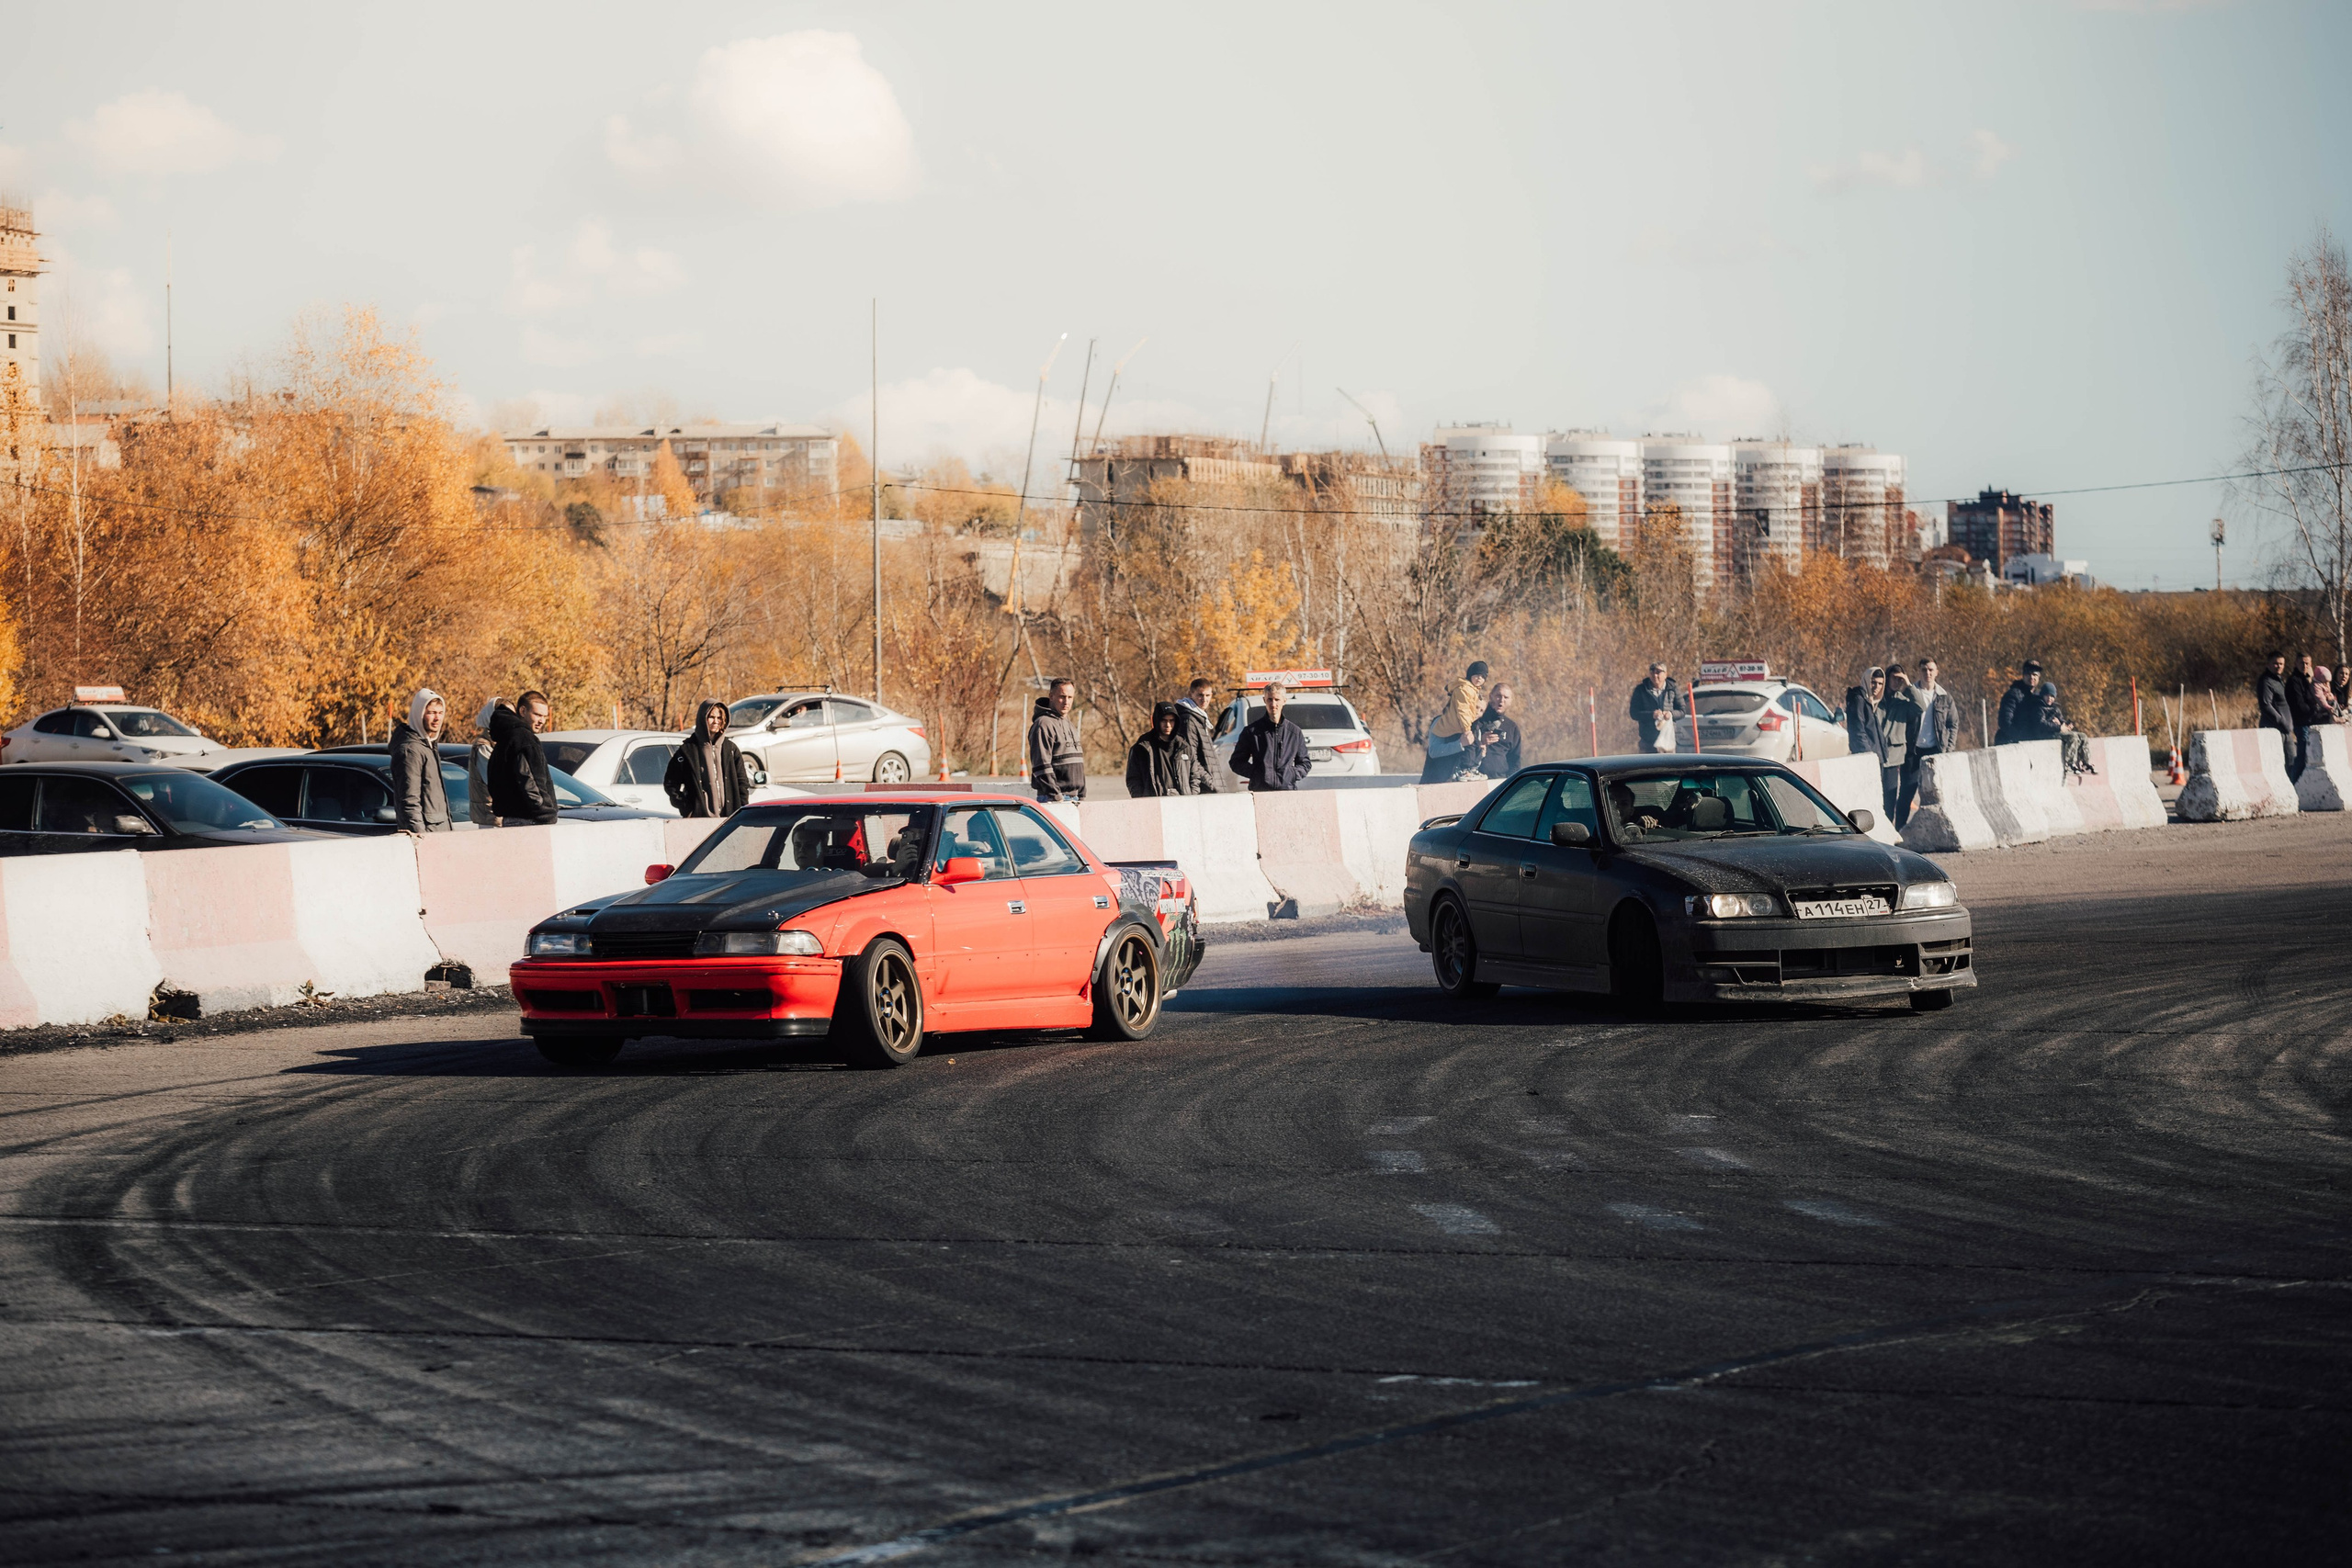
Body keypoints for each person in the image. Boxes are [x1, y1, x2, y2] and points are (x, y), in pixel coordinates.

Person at [664, 698, 753, 818]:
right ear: (702, 718)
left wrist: (741, 807)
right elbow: (670, 783)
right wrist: (686, 806)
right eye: (711, 717)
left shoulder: (731, 749)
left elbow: (742, 783)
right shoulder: (688, 750)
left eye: (719, 718)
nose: (716, 721)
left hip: (729, 819)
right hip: (699, 819)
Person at [1899, 658, 1960, 827]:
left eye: (1931, 670)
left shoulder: (1944, 697)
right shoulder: (1910, 693)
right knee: (1906, 794)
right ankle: (1899, 832)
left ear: (1937, 672)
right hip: (1912, 750)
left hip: (1935, 751)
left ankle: (1934, 829)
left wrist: (1947, 749)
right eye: (1924, 670)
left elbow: (1953, 723)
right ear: (1919, 672)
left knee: (1936, 795)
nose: (1928, 673)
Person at [489, 688, 559, 827]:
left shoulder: (504, 738)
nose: (542, 721)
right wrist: (546, 815)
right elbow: (529, 781)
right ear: (522, 711)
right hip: (529, 821)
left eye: (545, 717)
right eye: (537, 715)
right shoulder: (524, 739)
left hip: (510, 819)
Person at [389, 688, 451, 834]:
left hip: (439, 833)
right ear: (419, 714)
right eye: (431, 713)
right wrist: (421, 838)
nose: (437, 718)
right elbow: (410, 802)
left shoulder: (427, 745)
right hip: (428, 836)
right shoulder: (411, 750)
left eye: (440, 713)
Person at [1230, 682, 1312, 792]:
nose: (1273, 704)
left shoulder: (1294, 732)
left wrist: (1291, 775)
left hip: (1287, 792)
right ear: (1264, 700)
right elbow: (1236, 762)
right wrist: (1257, 774)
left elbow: (1305, 763)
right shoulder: (1251, 732)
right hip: (1260, 791)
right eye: (1270, 699)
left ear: (1284, 701)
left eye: (1277, 699)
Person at [1422, 660, 1489, 783]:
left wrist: (1481, 750)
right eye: (1475, 707)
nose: (1476, 712)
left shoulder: (1475, 729)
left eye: (1481, 710)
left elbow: (1472, 763)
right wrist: (1459, 744)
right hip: (1436, 781)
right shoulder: (1442, 723)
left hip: (1458, 785)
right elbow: (1434, 751)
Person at [1125, 703, 1203, 797]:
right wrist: (1141, 800)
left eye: (1171, 721)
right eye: (1163, 720)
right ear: (1156, 720)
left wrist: (1191, 797)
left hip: (1182, 804)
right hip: (1153, 804)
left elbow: (1194, 776)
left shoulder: (1184, 747)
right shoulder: (1142, 747)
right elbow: (1133, 779)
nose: (1168, 725)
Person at [1028, 678, 1085, 803]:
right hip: (1053, 799)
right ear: (1051, 696)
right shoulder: (1043, 724)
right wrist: (1056, 796)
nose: (1066, 702)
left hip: (1073, 798)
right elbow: (1041, 766)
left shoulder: (1069, 724)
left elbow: (1077, 763)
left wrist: (1082, 794)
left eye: (1070, 697)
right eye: (1062, 697)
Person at [1879, 667, 1920, 827]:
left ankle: (1889, 832)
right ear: (1887, 678)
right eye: (1894, 678)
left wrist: (1909, 685)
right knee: (1877, 799)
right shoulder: (1877, 698)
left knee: (1890, 800)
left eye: (1900, 679)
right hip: (1876, 753)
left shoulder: (1903, 701)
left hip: (1894, 755)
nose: (1897, 682)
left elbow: (1920, 706)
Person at [1172, 678, 1221, 794]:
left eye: (1207, 695)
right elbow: (1191, 757)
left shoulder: (1199, 717)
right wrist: (1211, 783)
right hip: (1200, 786)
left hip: (1206, 783)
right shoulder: (1189, 720)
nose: (1204, 699)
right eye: (1200, 695)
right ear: (1190, 694)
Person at [1996, 660, 2062, 745]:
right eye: (2028, 674)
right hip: (2010, 743)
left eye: (2035, 675)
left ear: (2039, 677)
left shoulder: (2039, 697)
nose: (2031, 677)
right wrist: (2020, 738)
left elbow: (2044, 719)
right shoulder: (2013, 695)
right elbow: (2004, 722)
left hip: (2030, 744)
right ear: (2023, 675)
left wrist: (2057, 723)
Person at [2285, 653, 2324, 783]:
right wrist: (2315, 711)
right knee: (2301, 756)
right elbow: (2299, 704)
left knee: (2308, 756)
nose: (2304, 665)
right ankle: (2293, 783)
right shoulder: (2294, 681)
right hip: (2301, 723)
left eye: (2307, 663)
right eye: (2302, 663)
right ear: (2296, 663)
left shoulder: (2307, 679)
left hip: (2310, 722)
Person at [468, 698, 507, 827]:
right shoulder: (483, 747)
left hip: (500, 818)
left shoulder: (500, 744)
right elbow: (497, 783)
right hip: (492, 820)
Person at [1472, 682, 1523, 779]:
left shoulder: (1512, 727)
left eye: (1506, 697)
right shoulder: (1477, 721)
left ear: (1510, 701)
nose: (1501, 700)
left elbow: (1515, 761)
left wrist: (1510, 783)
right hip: (1476, 780)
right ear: (1491, 697)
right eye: (1498, 696)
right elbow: (1463, 752)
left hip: (1501, 782)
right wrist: (1480, 741)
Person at [1627, 662, 1679, 753]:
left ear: (1665, 674)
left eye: (1658, 672)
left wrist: (1671, 714)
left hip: (1668, 740)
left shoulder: (1672, 689)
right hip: (1648, 741)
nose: (1655, 675)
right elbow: (1634, 713)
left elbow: (1682, 710)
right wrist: (1651, 715)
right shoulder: (1641, 690)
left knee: (1669, 767)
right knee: (1648, 767)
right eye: (1652, 672)